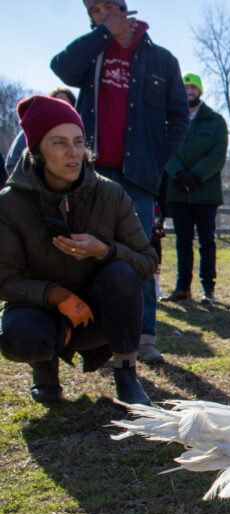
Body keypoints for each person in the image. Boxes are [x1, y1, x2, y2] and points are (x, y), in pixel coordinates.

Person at [51, 0, 189, 365]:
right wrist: (102, 34)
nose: (103, 15)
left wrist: (157, 158)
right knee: (84, 255)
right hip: (90, 174)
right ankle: (93, 338)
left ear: (125, 10)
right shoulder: (92, 54)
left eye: (109, 7)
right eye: (95, 11)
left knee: (139, 256)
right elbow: (60, 67)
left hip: (138, 177)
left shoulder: (162, 60)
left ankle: (143, 337)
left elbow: (179, 117)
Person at [0, 95, 155, 405]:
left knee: (122, 274)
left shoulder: (110, 193)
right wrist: (55, 295)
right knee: (20, 335)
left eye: (79, 142)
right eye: (59, 143)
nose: (73, 153)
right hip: (42, 314)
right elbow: (4, 279)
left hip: (95, 315)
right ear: (37, 151)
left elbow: (147, 261)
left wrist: (104, 250)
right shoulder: (9, 204)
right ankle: (44, 370)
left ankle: (127, 375)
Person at [161, 72, 227, 305]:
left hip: (205, 191)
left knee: (206, 241)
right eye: (185, 88)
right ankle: (182, 287)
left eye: (193, 88)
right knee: (182, 242)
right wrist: (179, 173)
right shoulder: (169, 120)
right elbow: (165, 148)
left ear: (200, 91)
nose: (189, 92)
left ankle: (208, 288)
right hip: (178, 190)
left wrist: (196, 176)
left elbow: (218, 154)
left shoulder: (215, 121)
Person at [6, 88, 77, 177]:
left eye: (67, 106)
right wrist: (31, 182)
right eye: (57, 104)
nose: (62, 109)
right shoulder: (32, 130)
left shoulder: (79, 136)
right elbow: (12, 163)